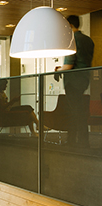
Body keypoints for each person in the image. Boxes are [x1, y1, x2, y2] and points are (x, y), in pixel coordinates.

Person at [55, 15, 94, 147]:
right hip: (84, 79)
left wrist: (58, 70)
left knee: (73, 112)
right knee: (80, 111)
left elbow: (68, 66)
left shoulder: (71, 40)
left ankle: (72, 142)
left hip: (73, 81)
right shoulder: (88, 40)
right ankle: (83, 141)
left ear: (70, 26)